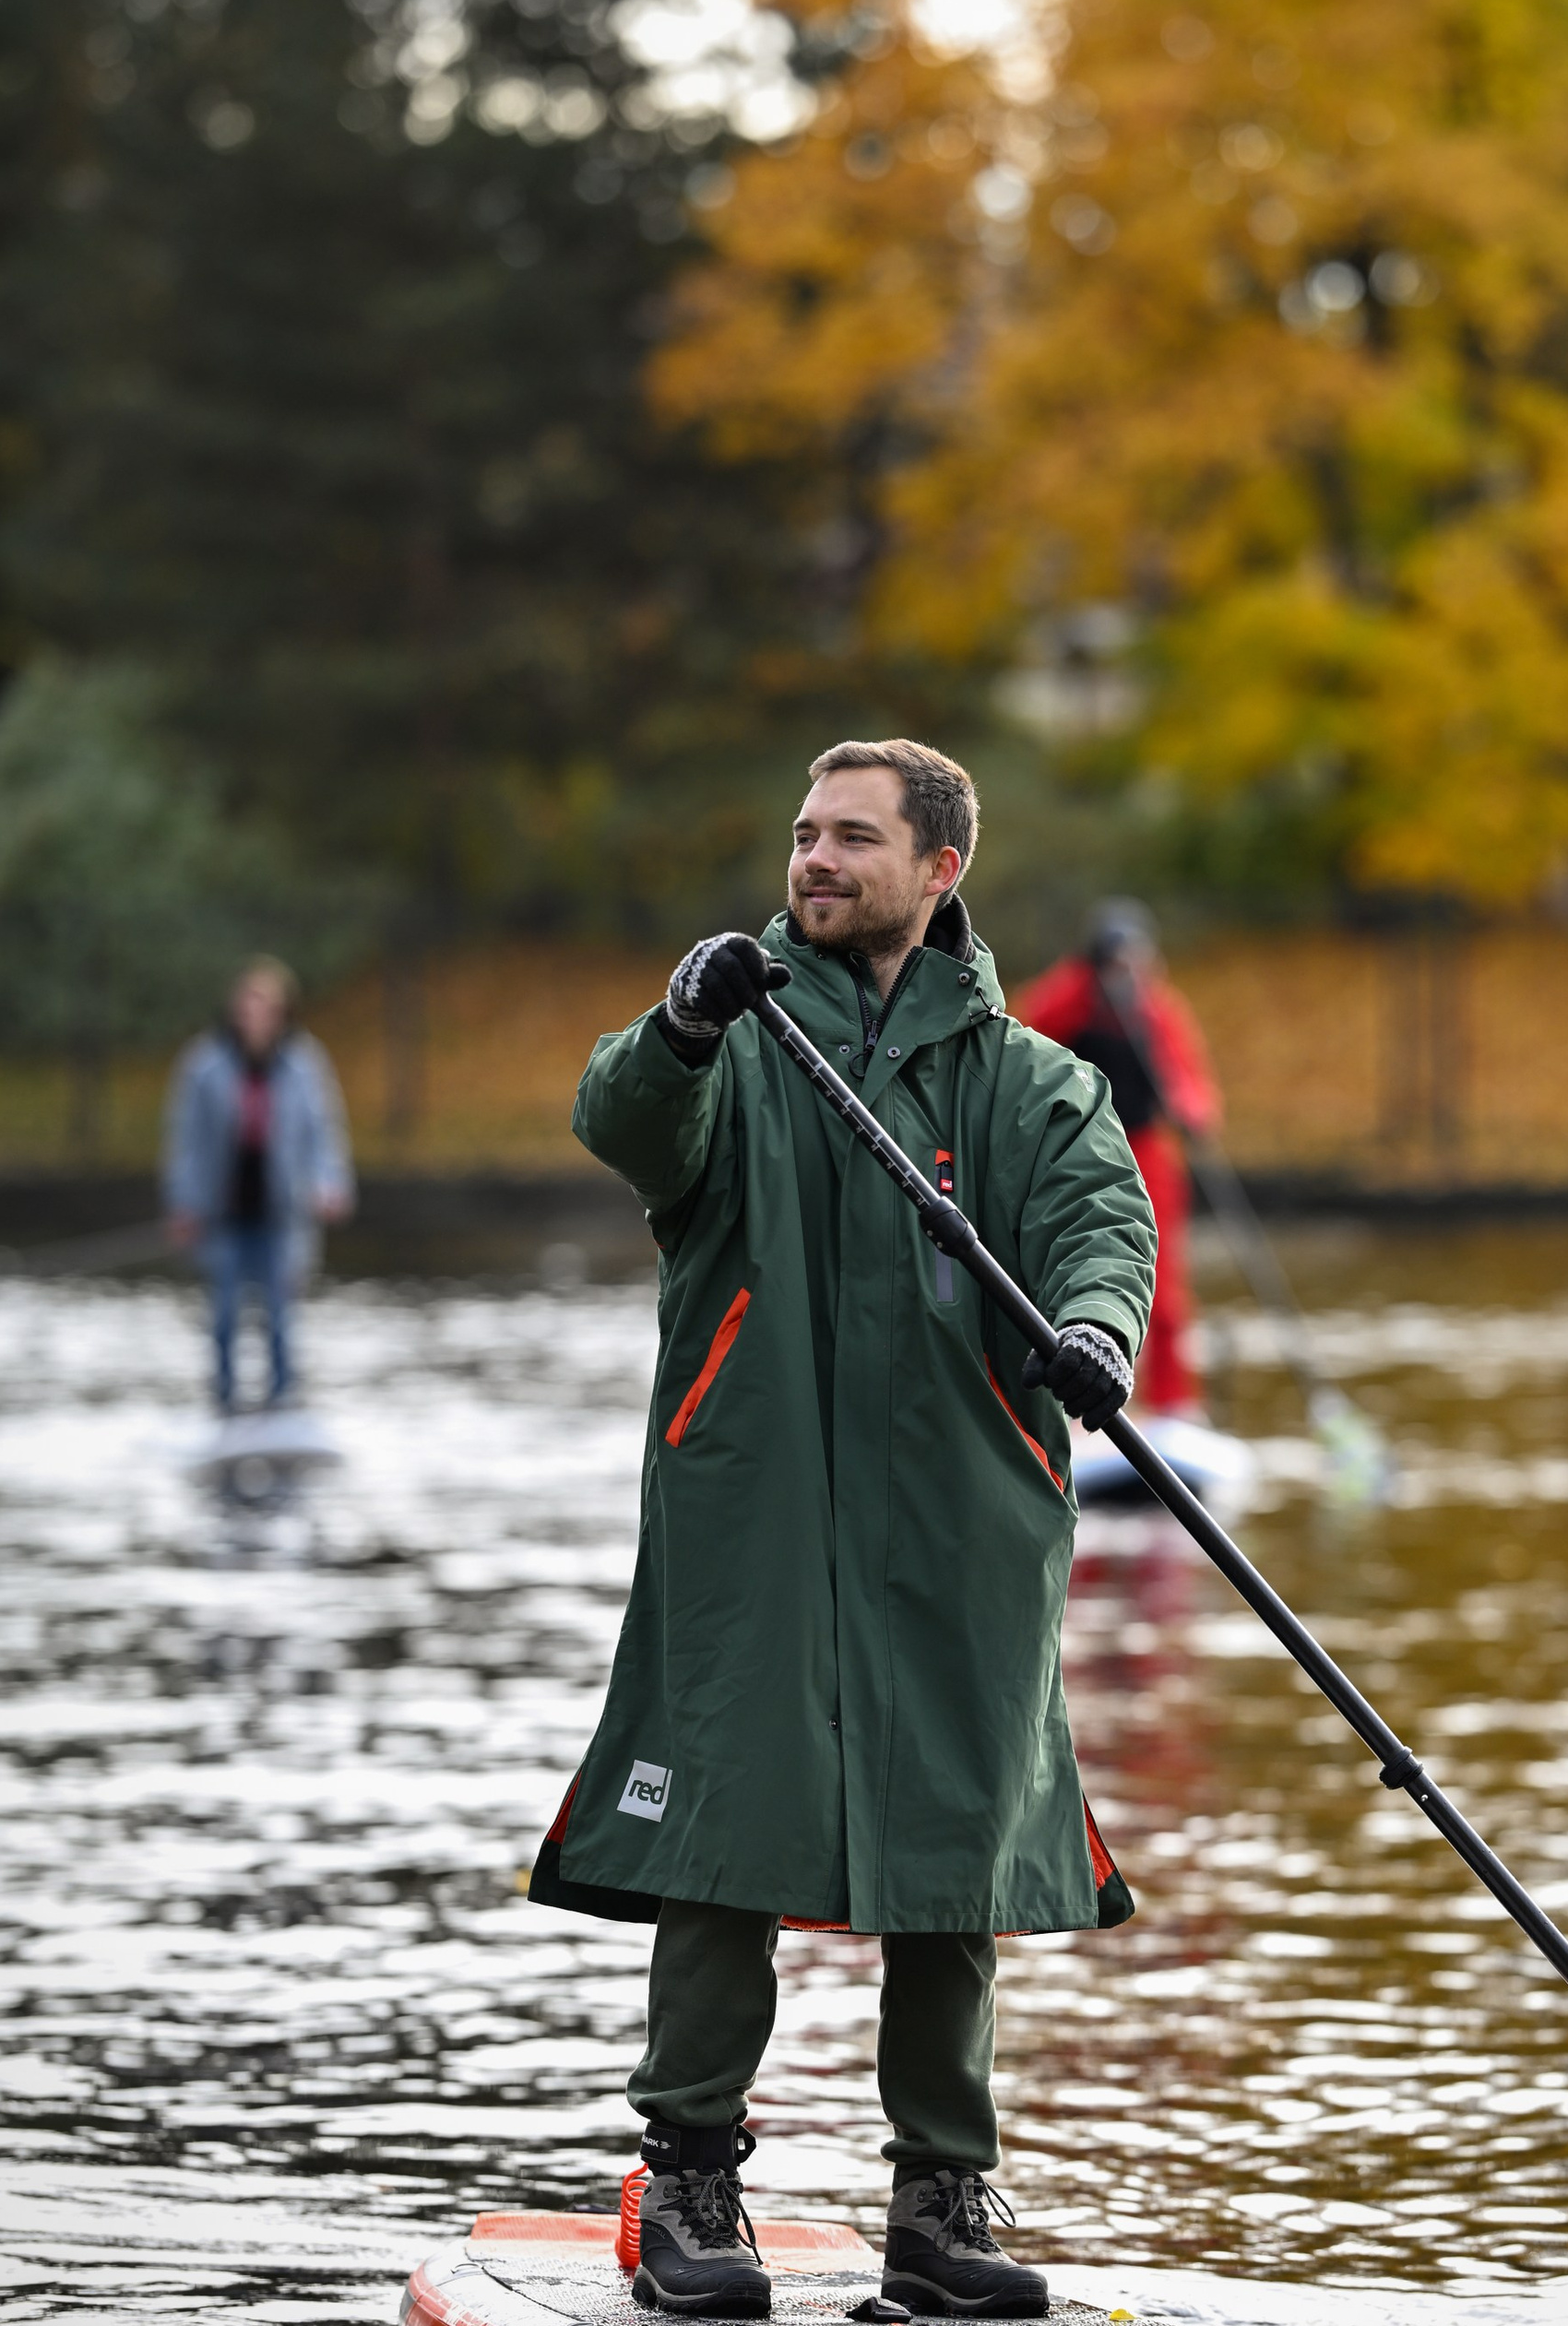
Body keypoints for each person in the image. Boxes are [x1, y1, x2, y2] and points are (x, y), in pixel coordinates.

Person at [529, 740, 1157, 2320]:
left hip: (965, 1515)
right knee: (726, 1829)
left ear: (940, 869)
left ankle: (941, 2204)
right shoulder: (736, 1042)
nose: (814, 858)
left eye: (852, 838)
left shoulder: (1028, 1082)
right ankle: (689, 2186)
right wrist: (676, 1026)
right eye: (805, 832)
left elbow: (1101, 1221)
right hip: (754, 1511)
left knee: (952, 1843)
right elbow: (625, 1124)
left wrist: (1095, 1333)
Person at [1012, 903, 1219, 1418]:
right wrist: (1088, 998)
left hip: (1146, 1155)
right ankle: (1059, 1410)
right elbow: (1019, 1047)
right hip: (1070, 1152)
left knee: (1164, 1291)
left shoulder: (1157, 1010)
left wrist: (1189, 1111)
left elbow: (1192, 1086)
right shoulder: (1067, 996)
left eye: (1138, 963)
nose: (1128, 974)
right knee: (1054, 1276)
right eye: (1117, 964)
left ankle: (1175, 1407)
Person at [162, 956, 354, 1415]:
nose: (254, 1016)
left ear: (283, 1012)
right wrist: (183, 1204)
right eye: (247, 1005)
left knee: (281, 1319)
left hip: (282, 1214)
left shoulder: (305, 1065)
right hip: (223, 1214)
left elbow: (323, 1133)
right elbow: (185, 1140)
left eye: (265, 1006)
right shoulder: (204, 1065)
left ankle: (282, 1401)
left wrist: (331, 1184)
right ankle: (224, 1401)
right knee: (225, 1316)